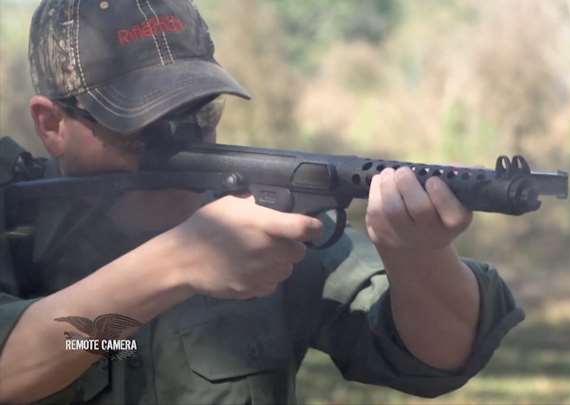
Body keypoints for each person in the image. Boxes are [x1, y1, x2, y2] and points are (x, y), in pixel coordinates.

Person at [0, 0, 524, 403]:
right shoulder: (13, 221)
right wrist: (179, 262)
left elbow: (441, 356)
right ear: (52, 125)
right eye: (142, 122)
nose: (180, 141)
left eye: (197, 112)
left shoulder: (258, 220)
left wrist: (420, 255)